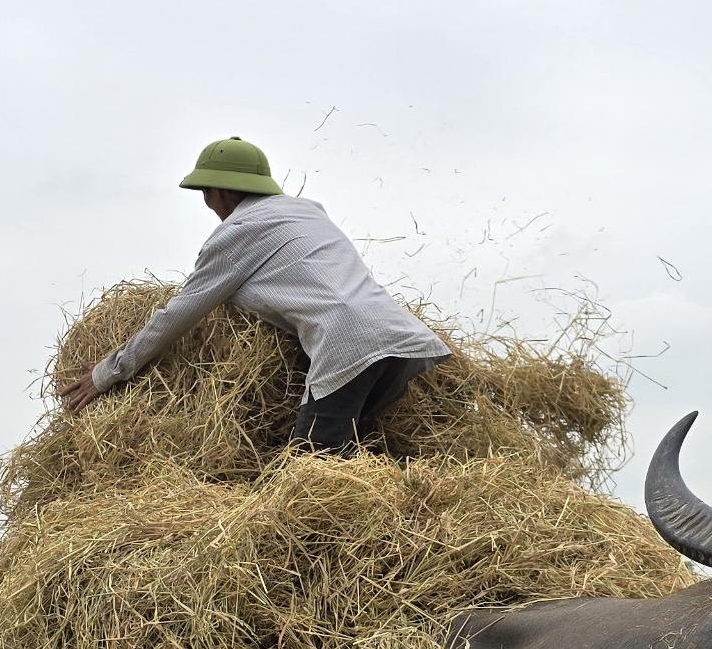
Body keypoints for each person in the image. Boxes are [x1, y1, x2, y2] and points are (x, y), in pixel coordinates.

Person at [60, 136, 451, 452]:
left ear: (222, 191)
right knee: (351, 454)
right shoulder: (306, 212)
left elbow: (178, 315)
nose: (209, 205)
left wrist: (106, 374)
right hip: (397, 338)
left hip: (347, 346)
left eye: (206, 194)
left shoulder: (237, 233)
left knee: (312, 474)